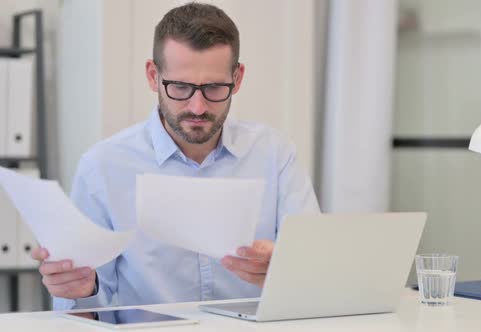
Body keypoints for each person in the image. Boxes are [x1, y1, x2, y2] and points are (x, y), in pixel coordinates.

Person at [31, 2, 319, 310]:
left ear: (237, 79)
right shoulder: (102, 167)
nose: (197, 107)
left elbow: (316, 274)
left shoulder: (275, 155)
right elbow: (82, 314)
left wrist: (286, 272)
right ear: (153, 76)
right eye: (180, 87)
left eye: (214, 88)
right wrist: (81, 291)